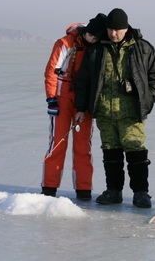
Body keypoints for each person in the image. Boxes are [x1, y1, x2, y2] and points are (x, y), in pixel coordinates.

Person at [74, 8, 155, 208]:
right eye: (110, 29)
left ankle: (141, 193)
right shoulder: (97, 50)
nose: (113, 34)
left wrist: (147, 100)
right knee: (110, 153)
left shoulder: (142, 48)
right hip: (105, 113)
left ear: (126, 28)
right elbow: (84, 81)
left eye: (118, 30)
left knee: (136, 153)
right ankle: (113, 191)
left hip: (131, 113)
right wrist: (81, 107)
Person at [42, 13, 107, 200]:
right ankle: (49, 187)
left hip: (84, 101)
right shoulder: (65, 43)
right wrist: (51, 99)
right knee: (58, 143)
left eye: (95, 37)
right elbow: (51, 72)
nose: (91, 39)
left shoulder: (96, 49)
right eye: (89, 35)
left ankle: (84, 189)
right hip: (62, 98)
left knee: (83, 146)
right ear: (85, 32)